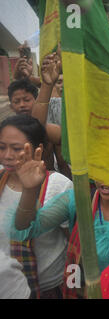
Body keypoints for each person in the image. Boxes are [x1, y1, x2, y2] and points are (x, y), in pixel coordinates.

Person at [9, 140, 109, 298]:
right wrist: (30, 190)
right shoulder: (78, 201)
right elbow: (25, 228)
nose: (105, 177)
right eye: (100, 168)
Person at [0, 115, 73, 298]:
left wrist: (76, 284)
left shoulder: (59, 186)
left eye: (17, 149)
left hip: (49, 285)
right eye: (1, 147)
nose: (7, 155)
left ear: (38, 149)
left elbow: (73, 243)